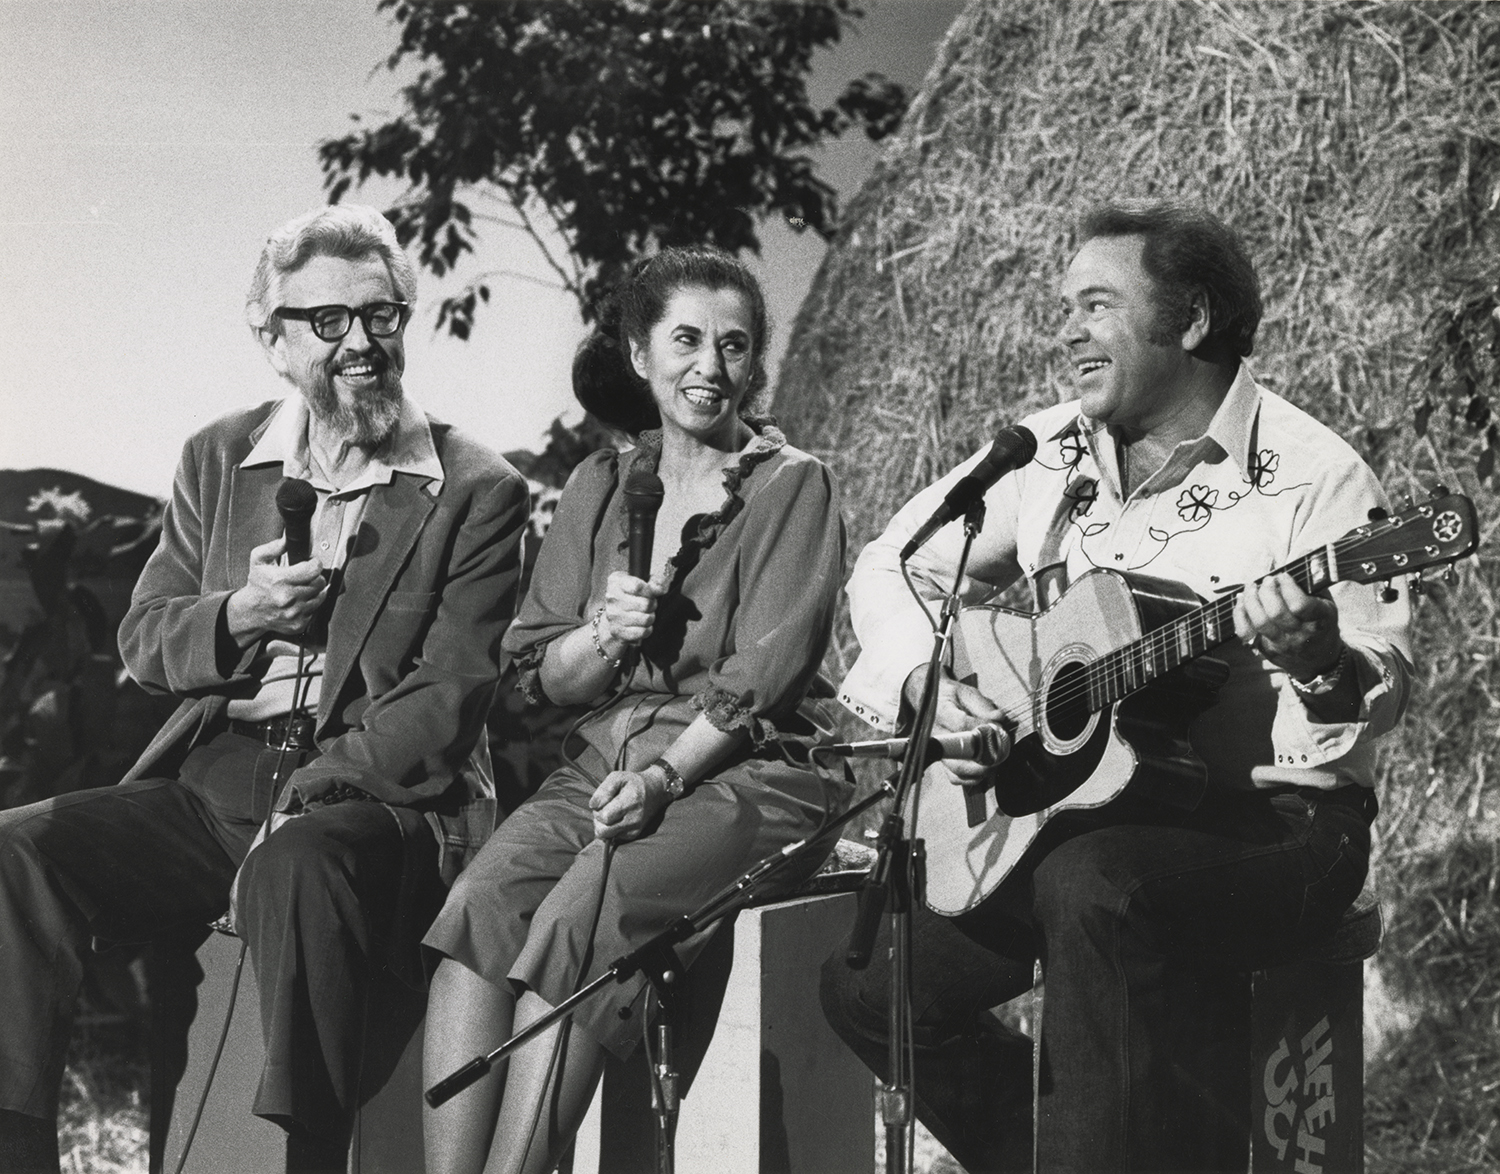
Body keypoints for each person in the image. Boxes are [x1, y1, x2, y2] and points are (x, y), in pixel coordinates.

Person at [820, 201, 1414, 1173]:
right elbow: (893, 564)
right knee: (871, 984)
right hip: (1081, 807)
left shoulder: (1316, 478)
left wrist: (1315, 660)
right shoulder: (1046, 451)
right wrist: (933, 680)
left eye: (1096, 305)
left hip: (1283, 825)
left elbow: (1370, 695)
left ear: (1190, 319)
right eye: (1067, 306)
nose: (1066, 330)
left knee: (1093, 888)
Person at [0, 204, 528, 1174]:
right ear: (273, 340)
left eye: (382, 316)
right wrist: (240, 615)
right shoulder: (217, 457)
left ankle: (299, 1158)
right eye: (327, 321)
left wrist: (313, 795)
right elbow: (147, 639)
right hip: (214, 789)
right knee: (17, 850)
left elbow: (449, 701)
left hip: (375, 797)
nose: (361, 342)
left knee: (300, 865)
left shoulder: (475, 488)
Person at [421, 247, 848, 1174]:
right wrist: (602, 639)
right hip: (602, 761)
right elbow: (541, 677)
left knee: (581, 915)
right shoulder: (599, 486)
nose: (710, 366)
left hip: (743, 769)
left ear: (755, 365)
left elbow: (760, 684)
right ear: (639, 351)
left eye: (734, 347)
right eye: (686, 339)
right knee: (481, 903)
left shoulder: (791, 487)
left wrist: (662, 778)